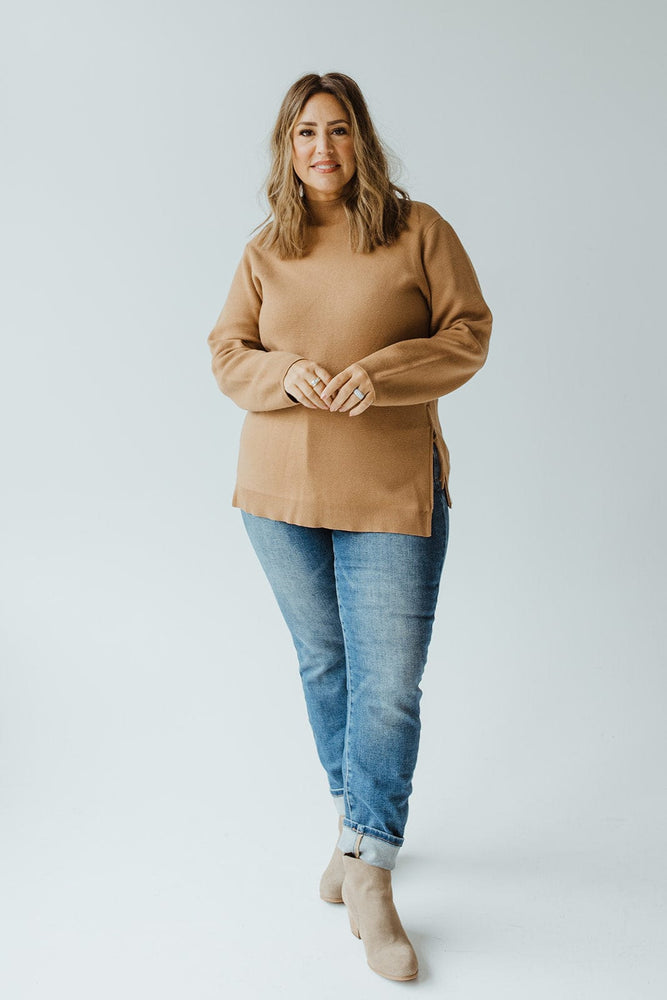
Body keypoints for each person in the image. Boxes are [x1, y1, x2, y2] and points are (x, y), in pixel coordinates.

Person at [206, 71, 492, 982]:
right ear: (286, 150)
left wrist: (383, 372)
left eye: (336, 131)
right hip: (278, 496)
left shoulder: (419, 230)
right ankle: (353, 825)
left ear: (361, 139)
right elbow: (227, 352)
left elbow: (467, 332)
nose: (321, 149)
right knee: (325, 666)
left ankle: (369, 871)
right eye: (302, 135)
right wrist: (284, 372)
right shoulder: (268, 248)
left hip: (389, 493)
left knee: (388, 687)